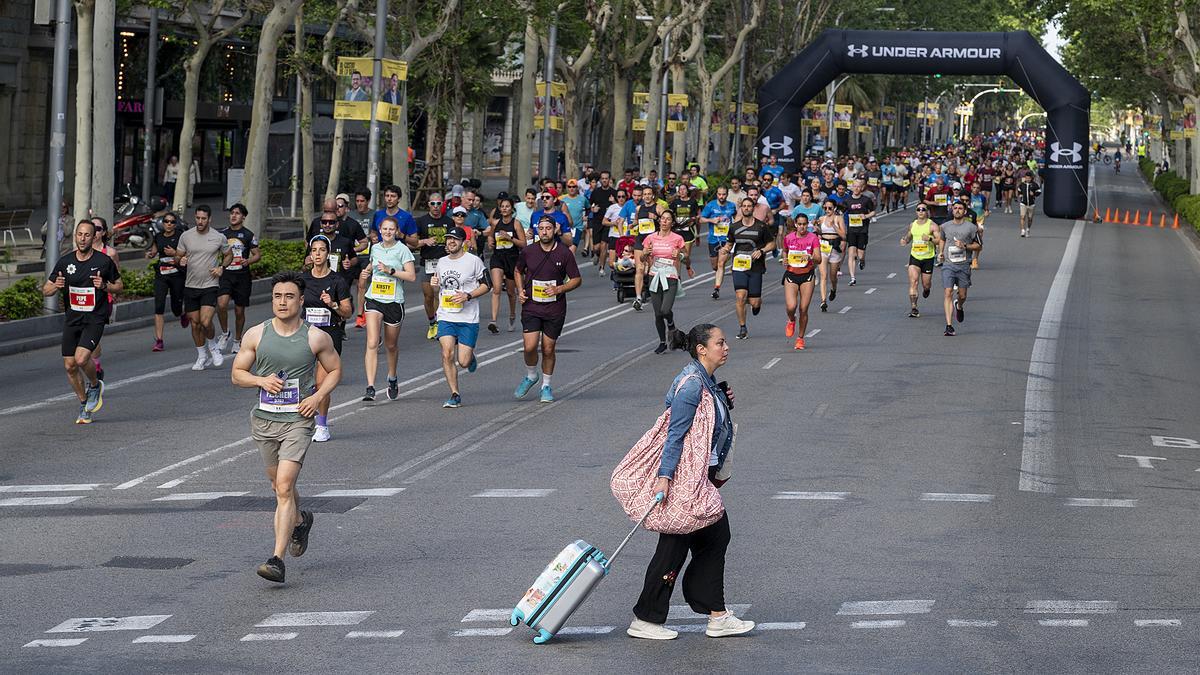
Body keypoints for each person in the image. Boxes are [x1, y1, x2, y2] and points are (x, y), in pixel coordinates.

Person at [629, 324, 752, 641]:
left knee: (713, 539)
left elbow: (705, 422)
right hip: (684, 480)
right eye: (720, 343)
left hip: (697, 478)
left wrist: (722, 400)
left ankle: (715, 613)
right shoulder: (691, 385)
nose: (726, 347)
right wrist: (664, 478)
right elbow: (675, 434)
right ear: (701, 348)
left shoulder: (705, 382)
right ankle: (647, 618)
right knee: (673, 548)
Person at [231, 271, 342, 584]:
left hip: (297, 420)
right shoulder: (256, 334)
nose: (282, 302)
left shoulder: (315, 337)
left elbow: (334, 370)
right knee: (279, 486)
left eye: (289, 296)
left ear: (300, 300)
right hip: (265, 420)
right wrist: (259, 380)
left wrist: (318, 396)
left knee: (283, 487)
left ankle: (276, 559)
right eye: (278, 296)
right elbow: (237, 373)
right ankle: (300, 521)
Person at [42, 220, 121, 424]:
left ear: (94, 236)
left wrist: (104, 286)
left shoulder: (103, 261)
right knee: (69, 366)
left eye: (87, 235)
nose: (82, 238)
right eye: (79, 234)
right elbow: (46, 289)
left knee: (80, 359)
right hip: (73, 318)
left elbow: (119, 286)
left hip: (94, 318)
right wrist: (56, 286)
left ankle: (94, 384)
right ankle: (84, 404)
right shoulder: (65, 262)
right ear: (75, 236)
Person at [513, 216, 582, 403]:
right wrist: (520, 291)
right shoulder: (528, 251)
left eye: (548, 228)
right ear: (537, 230)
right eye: (541, 228)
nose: (544, 232)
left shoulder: (564, 253)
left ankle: (546, 385)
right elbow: (518, 271)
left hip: (554, 307)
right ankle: (531, 375)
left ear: (555, 230)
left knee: (548, 348)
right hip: (532, 306)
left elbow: (576, 279)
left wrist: (559, 288)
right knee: (529, 347)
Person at [300, 236, 352, 442]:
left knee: (321, 383)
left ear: (328, 254)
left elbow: (347, 311)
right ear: (310, 254)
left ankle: (322, 425)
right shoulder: (302, 279)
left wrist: (333, 305)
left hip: (329, 334)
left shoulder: (337, 280)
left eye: (322, 250)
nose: (318, 254)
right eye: (314, 250)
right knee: (301, 381)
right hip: (306, 334)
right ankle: (301, 419)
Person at [432, 226, 489, 408]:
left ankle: (470, 357)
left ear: (463, 242)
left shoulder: (473, 261)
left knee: (463, 362)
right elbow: (439, 289)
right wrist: (434, 285)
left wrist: (468, 296)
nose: (451, 242)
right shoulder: (441, 262)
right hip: (446, 315)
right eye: (449, 238)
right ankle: (454, 394)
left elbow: (487, 285)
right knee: (446, 353)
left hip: (467, 317)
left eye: (455, 239)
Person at [362, 217, 417, 401]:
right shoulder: (375, 248)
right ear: (379, 230)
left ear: (396, 231)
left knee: (391, 345)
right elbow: (373, 263)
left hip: (394, 301)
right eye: (384, 229)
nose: (387, 232)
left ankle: (392, 377)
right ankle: (370, 387)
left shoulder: (403, 250)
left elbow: (411, 276)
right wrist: (367, 271)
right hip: (374, 298)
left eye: (391, 229)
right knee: (371, 342)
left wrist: (391, 271)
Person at [178, 205, 232, 371]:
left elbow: (229, 255)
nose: (200, 221)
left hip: (210, 284)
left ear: (209, 219)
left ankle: (213, 346)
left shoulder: (218, 237)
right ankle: (201, 355)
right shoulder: (186, 236)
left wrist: (222, 267)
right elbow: (178, 255)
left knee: (205, 321)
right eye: (198, 218)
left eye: (203, 218)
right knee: (195, 324)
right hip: (190, 285)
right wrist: (180, 260)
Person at [719, 197, 775, 340]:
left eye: (749, 206)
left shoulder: (761, 227)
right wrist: (725, 250)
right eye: (744, 206)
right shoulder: (734, 227)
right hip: (739, 266)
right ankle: (743, 327)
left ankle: (756, 305)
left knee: (754, 302)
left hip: (756, 267)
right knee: (740, 297)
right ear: (741, 208)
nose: (746, 208)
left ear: (753, 208)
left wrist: (762, 251)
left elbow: (772, 244)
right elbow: (730, 244)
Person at [216, 203, 260, 354]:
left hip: (242, 276)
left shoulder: (248, 235)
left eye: (237, 213)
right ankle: (225, 332)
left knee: (239, 311)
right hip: (226, 274)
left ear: (243, 217)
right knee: (221, 304)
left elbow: (257, 255)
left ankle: (237, 339)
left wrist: (248, 261)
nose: (233, 216)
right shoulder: (222, 234)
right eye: (232, 213)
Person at [642, 211, 687, 354]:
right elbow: (642, 258)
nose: (665, 221)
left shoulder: (677, 238)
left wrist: (679, 255)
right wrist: (645, 254)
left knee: (665, 310)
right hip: (654, 276)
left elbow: (687, 258)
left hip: (670, 276)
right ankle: (662, 342)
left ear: (672, 222)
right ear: (659, 221)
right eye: (663, 219)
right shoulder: (650, 238)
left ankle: (672, 326)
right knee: (658, 314)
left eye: (668, 219)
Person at [411, 196, 453, 340]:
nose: (436, 206)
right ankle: (432, 322)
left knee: (441, 295)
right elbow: (412, 243)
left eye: (438, 203)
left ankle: (442, 324)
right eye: (433, 203)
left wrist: (450, 249)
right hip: (427, 263)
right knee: (429, 296)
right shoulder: (421, 221)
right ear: (428, 204)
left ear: (442, 205)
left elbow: (454, 241)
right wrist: (425, 241)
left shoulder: (449, 221)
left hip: (445, 263)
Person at [485, 196, 527, 334]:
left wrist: (510, 238)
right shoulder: (496, 223)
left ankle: (512, 315)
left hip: (512, 259)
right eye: (502, 206)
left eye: (507, 206)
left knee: (510, 292)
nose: (504, 209)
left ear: (512, 209)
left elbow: (523, 244)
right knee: (496, 288)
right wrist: (491, 242)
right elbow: (490, 235)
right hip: (498, 258)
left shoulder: (516, 224)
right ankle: (494, 321)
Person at [147, 212, 187, 351]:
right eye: (166, 221)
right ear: (163, 223)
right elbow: (154, 251)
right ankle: (159, 340)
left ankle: (181, 313)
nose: (169, 224)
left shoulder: (180, 236)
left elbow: (187, 254)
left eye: (172, 222)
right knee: (159, 307)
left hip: (177, 275)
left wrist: (174, 254)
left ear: (175, 224)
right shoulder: (158, 237)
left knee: (176, 307)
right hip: (162, 275)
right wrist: (150, 254)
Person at [940, 202, 981, 337]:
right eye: (955, 208)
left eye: (960, 209)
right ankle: (949, 326)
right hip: (948, 264)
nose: (957, 210)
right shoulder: (945, 226)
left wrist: (965, 246)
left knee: (962, 295)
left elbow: (979, 246)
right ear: (952, 210)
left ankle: (959, 305)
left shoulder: (971, 227)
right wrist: (940, 252)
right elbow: (942, 240)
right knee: (948, 292)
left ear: (965, 211)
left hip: (963, 265)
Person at [782, 214, 821, 350]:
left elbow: (819, 259)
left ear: (807, 224)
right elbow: (785, 252)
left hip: (807, 275)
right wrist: (785, 259)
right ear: (796, 225)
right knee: (791, 306)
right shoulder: (788, 238)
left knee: (803, 308)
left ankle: (800, 338)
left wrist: (811, 257)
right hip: (791, 274)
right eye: (799, 224)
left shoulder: (813, 238)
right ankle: (792, 319)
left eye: (804, 224)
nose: (802, 227)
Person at [900, 205, 940, 318]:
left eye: (923, 209)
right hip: (915, 257)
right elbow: (908, 237)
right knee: (914, 282)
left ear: (927, 211)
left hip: (928, 258)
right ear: (916, 212)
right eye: (919, 209)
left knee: (926, 284)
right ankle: (914, 307)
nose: (921, 211)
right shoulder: (913, 224)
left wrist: (930, 239)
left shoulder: (932, 225)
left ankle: (927, 290)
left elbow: (939, 240)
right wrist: (904, 240)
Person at [631, 186, 663, 311]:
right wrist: (631, 225)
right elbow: (636, 221)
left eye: (649, 194)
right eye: (645, 194)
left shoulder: (658, 207)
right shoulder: (639, 208)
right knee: (639, 268)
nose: (647, 196)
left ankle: (655, 293)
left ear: (653, 195)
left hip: (654, 241)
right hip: (640, 240)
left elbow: (669, 221)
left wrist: (656, 218)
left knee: (652, 269)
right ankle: (638, 298)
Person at [699, 186, 736, 287]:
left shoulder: (732, 206)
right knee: (715, 265)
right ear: (717, 194)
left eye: (723, 194)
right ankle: (719, 268)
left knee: (721, 263)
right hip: (713, 238)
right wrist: (711, 220)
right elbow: (701, 219)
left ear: (727, 195)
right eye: (719, 194)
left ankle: (717, 288)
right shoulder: (711, 205)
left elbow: (736, 218)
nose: (721, 196)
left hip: (727, 239)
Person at [815, 199, 845, 313]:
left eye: (830, 208)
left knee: (833, 276)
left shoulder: (839, 219)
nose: (827, 210)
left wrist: (834, 226)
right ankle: (823, 301)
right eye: (825, 208)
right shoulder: (822, 219)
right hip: (824, 246)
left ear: (834, 208)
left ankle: (833, 289)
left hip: (835, 248)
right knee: (823, 275)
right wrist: (816, 228)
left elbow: (843, 235)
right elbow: (819, 233)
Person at [667, 182, 699, 277]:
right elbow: (670, 214)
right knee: (677, 256)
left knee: (685, 256)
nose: (682, 191)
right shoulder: (675, 202)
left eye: (684, 189)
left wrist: (692, 220)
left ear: (687, 191)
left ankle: (688, 267)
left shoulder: (692, 202)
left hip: (688, 232)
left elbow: (695, 216)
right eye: (680, 190)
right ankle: (678, 277)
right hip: (677, 232)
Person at [1016, 172, 1041, 238]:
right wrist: (1020, 196)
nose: (1027, 179)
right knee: (1022, 217)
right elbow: (1019, 190)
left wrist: (1034, 194)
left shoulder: (1034, 184)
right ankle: (1022, 230)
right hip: (1023, 203)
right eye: (1026, 178)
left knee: (1030, 218)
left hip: (1031, 204)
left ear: (1031, 178)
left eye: (1029, 178)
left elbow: (1039, 191)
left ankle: (1028, 229)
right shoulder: (1022, 184)